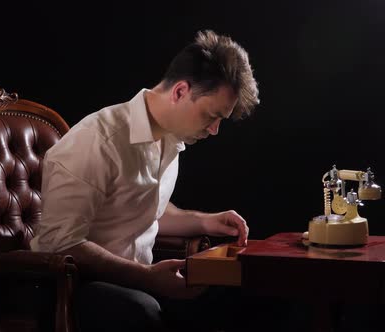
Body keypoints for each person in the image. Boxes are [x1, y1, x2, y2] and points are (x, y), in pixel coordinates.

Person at [30, 29, 261, 331]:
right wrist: (147, 278)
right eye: (211, 115)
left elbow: (141, 210)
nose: (214, 130)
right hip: (71, 286)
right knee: (142, 311)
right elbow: (59, 244)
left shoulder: (171, 137)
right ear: (180, 91)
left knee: (243, 294)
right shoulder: (96, 141)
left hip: (134, 279)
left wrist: (205, 222)